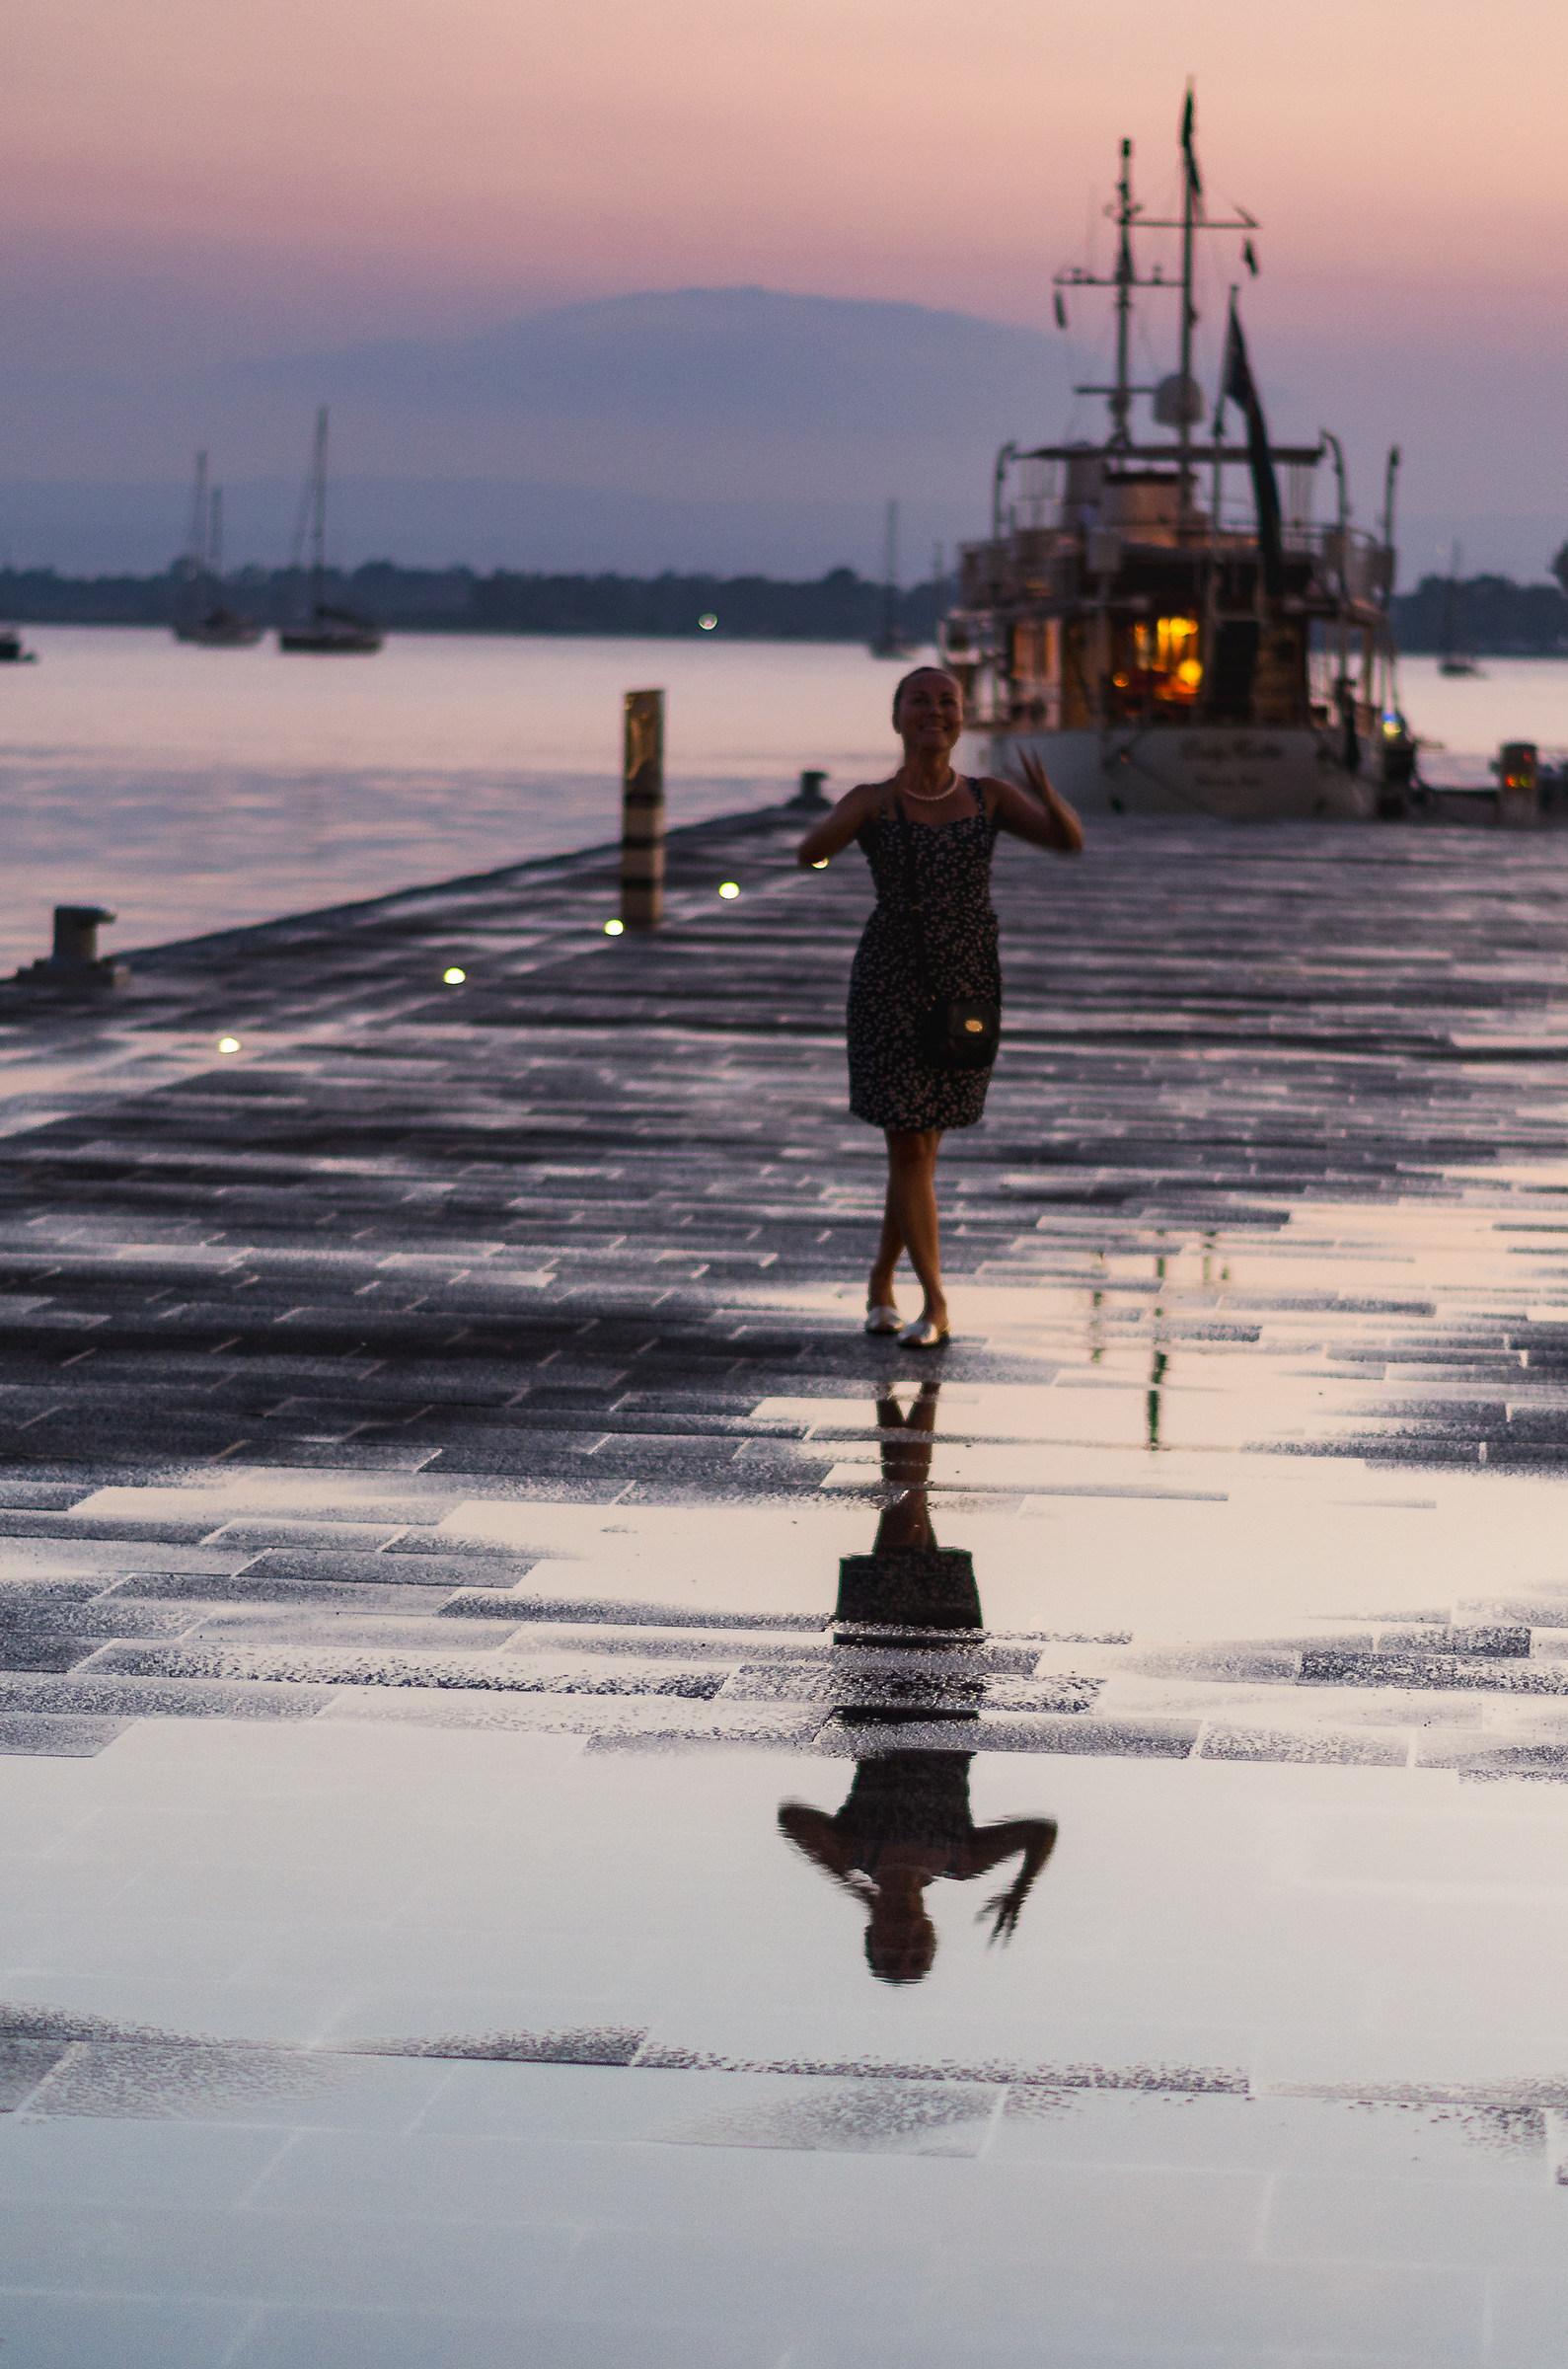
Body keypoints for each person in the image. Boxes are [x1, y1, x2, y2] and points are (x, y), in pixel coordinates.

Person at [796, 665, 1083, 1347]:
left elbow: (1067, 842)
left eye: (947, 702)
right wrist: (835, 831)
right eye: (919, 702)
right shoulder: (874, 799)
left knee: (921, 1148)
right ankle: (935, 1305)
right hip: (890, 981)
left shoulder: (989, 797)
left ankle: (877, 1284)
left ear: (962, 718)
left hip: (965, 985)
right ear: (896, 719)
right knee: (909, 1146)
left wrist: (1050, 796)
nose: (935, 712)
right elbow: (807, 854)